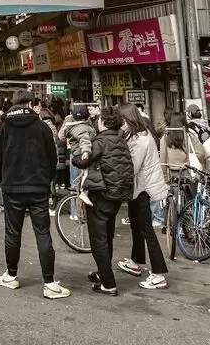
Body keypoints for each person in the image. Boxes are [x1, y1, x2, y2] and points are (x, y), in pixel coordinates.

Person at [0, 89, 71, 300]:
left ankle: (11, 274)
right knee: (43, 233)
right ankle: (50, 283)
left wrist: (3, 180)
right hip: (38, 188)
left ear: (14, 104)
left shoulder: (3, 127)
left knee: (12, 233)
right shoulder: (42, 127)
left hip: (12, 189)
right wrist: (46, 179)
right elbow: (53, 158)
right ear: (30, 103)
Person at [73, 106, 134, 297]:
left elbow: (82, 161)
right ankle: (102, 272)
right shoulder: (121, 140)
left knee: (98, 239)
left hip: (101, 193)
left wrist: (75, 157)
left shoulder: (100, 142)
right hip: (118, 194)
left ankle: (108, 283)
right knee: (107, 236)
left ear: (104, 122)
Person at [117, 102, 170, 290]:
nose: (120, 124)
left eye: (121, 120)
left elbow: (133, 167)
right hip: (138, 188)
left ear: (128, 119)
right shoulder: (137, 135)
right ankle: (135, 261)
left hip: (143, 189)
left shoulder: (140, 139)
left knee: (146, 230)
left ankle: (158, 274)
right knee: (137, 226)